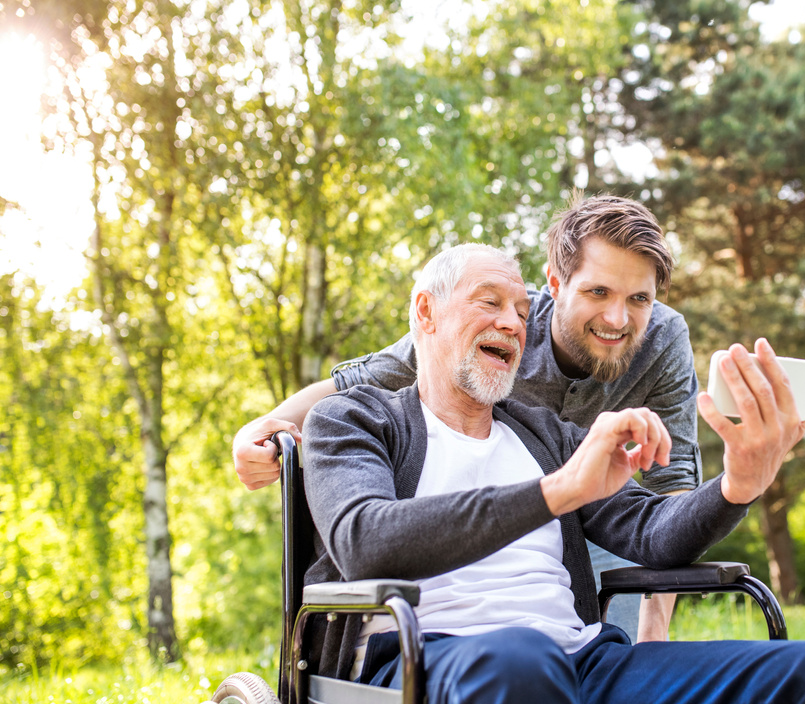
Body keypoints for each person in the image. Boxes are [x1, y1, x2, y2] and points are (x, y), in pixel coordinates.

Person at [301, 243, 805, 704]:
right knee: (522, 661)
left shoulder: (548, 436)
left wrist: (739, 484)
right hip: (422, 667)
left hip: (580, 664)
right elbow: (365, 542)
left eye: (524, 313)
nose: (512, 323)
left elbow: (654, 535)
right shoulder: (355, 419)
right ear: (426, 312)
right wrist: (556, 492)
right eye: (491, 303)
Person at [235, 193, 704, 641]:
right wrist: (263, 428)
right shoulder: (498, 325)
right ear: (556, 286)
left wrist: (654, 627)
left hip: (595, 516)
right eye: (598, 291)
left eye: (639, 299)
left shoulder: (663, 340)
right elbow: (362, 378)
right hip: (481, 517)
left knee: (615, 647)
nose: (618, 318)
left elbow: (672, 479)